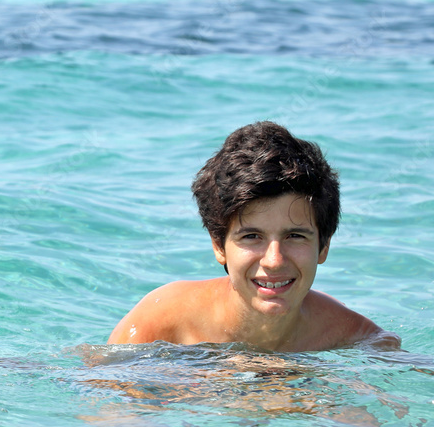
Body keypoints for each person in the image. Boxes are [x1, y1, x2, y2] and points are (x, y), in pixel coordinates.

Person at [108, 121, 399, 352]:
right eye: (251, 237)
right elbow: (106, 408)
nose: (274, 260)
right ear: (218, 245)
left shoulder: (355, 338)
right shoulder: (162, 324)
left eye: (295, 236)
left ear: (323, 246)